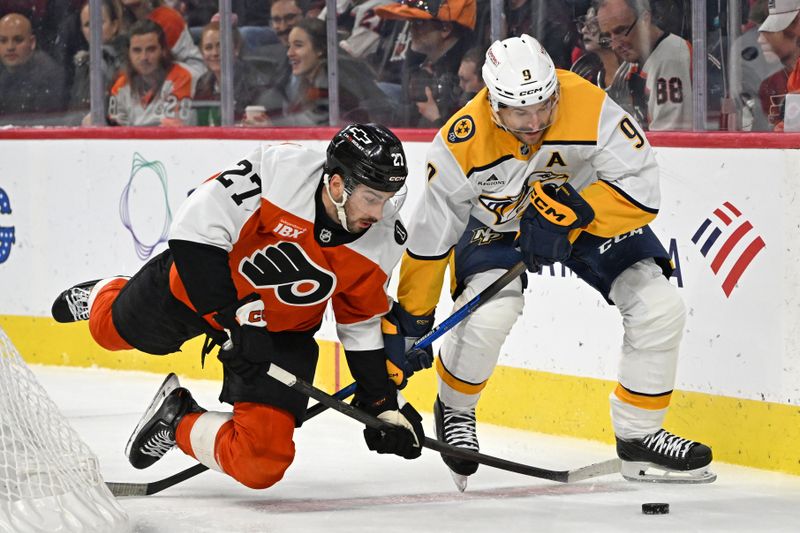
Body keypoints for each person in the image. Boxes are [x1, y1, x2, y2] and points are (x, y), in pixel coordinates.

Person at [387, 34, 714, 490]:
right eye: (521, 112)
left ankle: (639, 433)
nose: (536, 121)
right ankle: (456, 410)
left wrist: (576, 214)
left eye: (544, 105)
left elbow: (641, 185)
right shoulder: (460, 144)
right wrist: (413, 319)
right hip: (496, 227)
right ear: (493, 103)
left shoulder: (588, 104)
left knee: (659, 306)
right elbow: (430, 239)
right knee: (491, 313)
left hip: (584, 215)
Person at [50, 123, 425, 490]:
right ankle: (108, 290)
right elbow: (194, 231)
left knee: (261, 463)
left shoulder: (383, 239)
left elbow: (360, 323)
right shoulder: (279, 172)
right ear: (338, 185)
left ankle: (175, 419)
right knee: (106, 332)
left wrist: (380, 401)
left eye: (388, 198)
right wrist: (238, 322)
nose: (380, 213)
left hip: (281, 333)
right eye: (372, 198)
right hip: (200, 290)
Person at [257, 18, 395, 125]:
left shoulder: (333, 76)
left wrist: (272, 125)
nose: (289, 53)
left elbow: (319, 122)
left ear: (319, 49)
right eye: (289, 46)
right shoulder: (309, 78)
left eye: (298, 46)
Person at [375, 0, 476, 127]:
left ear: (446, 28)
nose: (411, 30)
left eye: (419, 22)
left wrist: (435, 120)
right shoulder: (424, 65)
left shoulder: (466, 75)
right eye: (410, 22)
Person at [596, 0, 692, 130]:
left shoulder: (670, 59)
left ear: (645, 19)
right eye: (607, 36)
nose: (615, 45)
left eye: (621, 31)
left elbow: (669, 136)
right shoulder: (636, 59)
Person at [107, 19, 196, 126]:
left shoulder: (182, 77)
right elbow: (115, 130)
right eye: (137, 50)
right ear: (128, 53)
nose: (144, 57)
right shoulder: (120, 86)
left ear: (163, 51)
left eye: (151, 49)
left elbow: (173, 128)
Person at [193, 20, 269, 123]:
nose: (215, 53)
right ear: (202, 53)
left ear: (236, 49)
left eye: (221, 46)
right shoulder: (202, 84)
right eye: (208, 47)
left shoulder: (255, 83)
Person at [0, 12, 66, 121]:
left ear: (32, 42)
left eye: (18, 40)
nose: (10, 47)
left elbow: (44, 123)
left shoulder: (48, 74)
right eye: (3, 41)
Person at [68, 0, 125, 121]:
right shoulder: (82, 64)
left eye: (99, 22)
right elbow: (74, 110)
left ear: (114, 26)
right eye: (87, 25)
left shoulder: (126, 61)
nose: (93, 29)